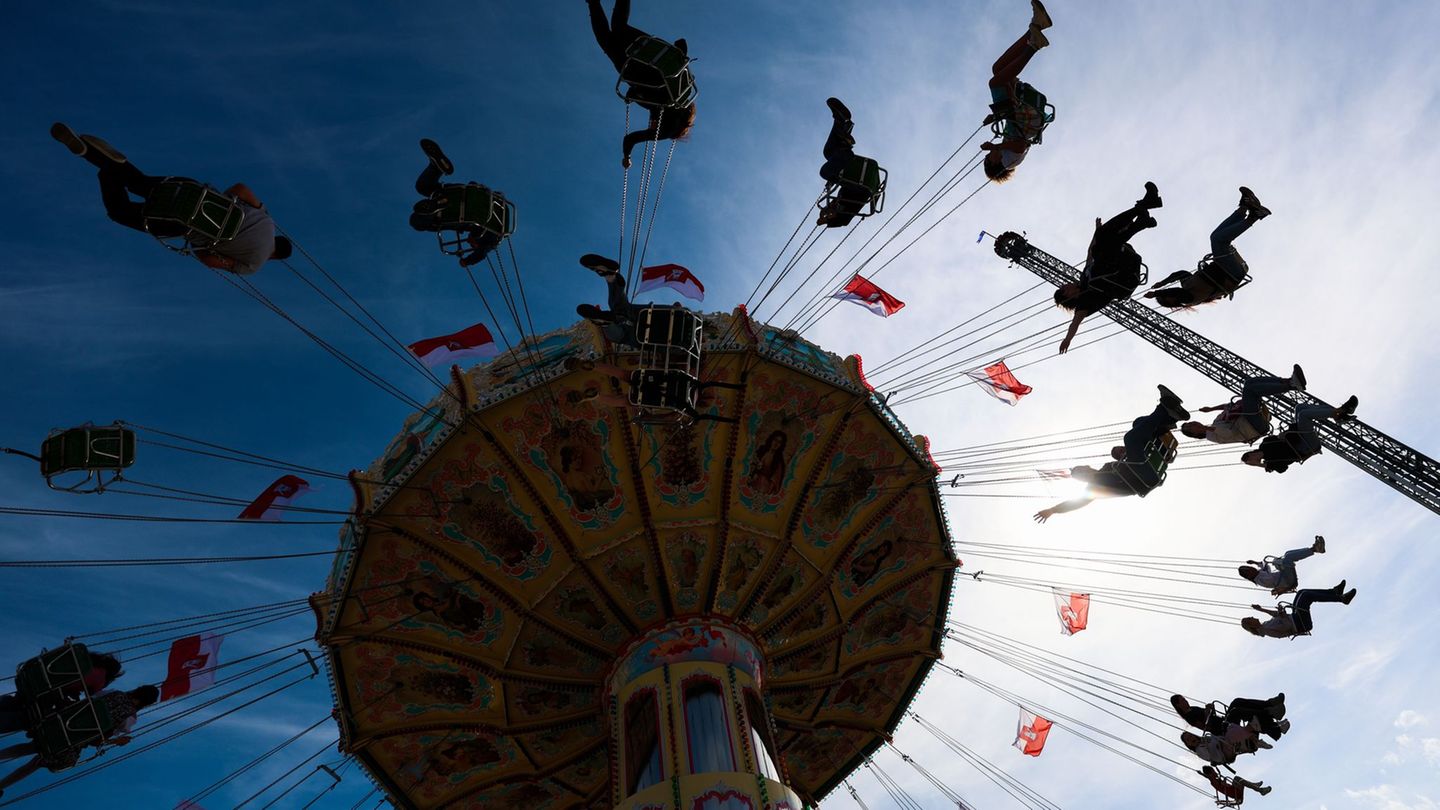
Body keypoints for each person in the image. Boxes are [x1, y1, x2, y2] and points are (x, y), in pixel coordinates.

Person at [50, 123, 291, 274]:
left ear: (278, 238)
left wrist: (221, 200)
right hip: (181, 222)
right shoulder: (252, 265)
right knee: (119, 211)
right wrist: (199, 245)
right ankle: (105, 168)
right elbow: (210, 260)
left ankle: (96, 155)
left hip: (193, 190)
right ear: (274, 257)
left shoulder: (267, 221)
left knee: (137, 182)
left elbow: (241, 188)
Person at [1033, 385, 1188, 521]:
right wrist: (1052, 510)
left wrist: (1125, 452)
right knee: (1130, 438)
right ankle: (1164, 408)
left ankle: (1170, 417)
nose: (1083, 475)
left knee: (1137, 423)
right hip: (1141, 478)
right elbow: (1075, 503)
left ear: (1087, 467)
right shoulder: (1094, 487)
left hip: (1141, 467)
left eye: (1080, 471)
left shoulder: (1107, 467)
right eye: (1080, 476)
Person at [1053, 182, 1162, 353]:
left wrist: (1096, 231)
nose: (1066, 284)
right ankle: (1143, 217)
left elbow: (1090, 252)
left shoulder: (1084, 277)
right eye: (1064, 288)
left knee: (1102, 236)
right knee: (1101, 246)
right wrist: (1068, 339)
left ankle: (1144, 211)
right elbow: (1075, 323)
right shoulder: (1084, 303)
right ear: (1067, 295)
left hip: (1120, 259)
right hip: (1122, 277)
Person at [587, 0, 696, 167]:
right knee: (605, 38)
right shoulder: (665, 130)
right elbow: (631, 138)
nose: (652, 123)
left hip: (649, 56)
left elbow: (681, 42)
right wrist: (627, 157)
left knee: (619, 27)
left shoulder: (677, 98)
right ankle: (593, 2)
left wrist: (680, 54)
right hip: (632, 69)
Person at [0, 685, 159, 797]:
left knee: (33, 746)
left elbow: (89, 700)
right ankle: (2, 785)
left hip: (62, 721)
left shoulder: (114, 693)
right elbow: (100, 738)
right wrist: (117, 742)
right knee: (39, 761)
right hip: (72, 740)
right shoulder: (130, 718)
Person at [1146, 188, 1271, 308]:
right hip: (1230, 273)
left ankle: (1244, 207)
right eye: (1166, 297)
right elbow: (1178, 292)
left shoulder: (1186, 285)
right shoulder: (1190, 299)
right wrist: (1157, 293)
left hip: (1225, 268)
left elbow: (1180, 274)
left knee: (1215, 236)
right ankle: (1254, 216)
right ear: (1172, 302)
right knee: (1218, 240)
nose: (1168, 295)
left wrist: (1162, 283)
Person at [980, 0, 1054, 182]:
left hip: (1021, 116)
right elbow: (1020, 144)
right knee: (996, 82)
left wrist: (995, 117)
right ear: (994, 164)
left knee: (997, 70)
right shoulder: (1009, 162)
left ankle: (1036, 27)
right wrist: (994, 147)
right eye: (988, 159)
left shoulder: (1004, 154)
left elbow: (1012, 129)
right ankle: (1033, 45)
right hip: (1028, 119)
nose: (988, 156)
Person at [408, 139, 503, 267]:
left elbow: (478, 186)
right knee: (416, 221)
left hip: (457, 192)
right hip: (460, 214)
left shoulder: (494, 205)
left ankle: (436, 168)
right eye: (472, 245)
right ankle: (436, 209)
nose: (469, 242)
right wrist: (466, 261)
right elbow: (481, 254)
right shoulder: (490, 238)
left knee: (422, 187)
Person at [0, 650, 123, 733]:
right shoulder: (101, 678)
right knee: (31, 718)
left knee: (17, 701)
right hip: (50, 692)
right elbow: (92, 699)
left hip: (37, 680)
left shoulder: (85, 658)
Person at [1180, 365, 1306, 446]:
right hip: (1252, 426)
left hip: (1249, 417)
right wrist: (1206, 429)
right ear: (1195, 434)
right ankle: (1291, 385)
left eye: (1190, 423)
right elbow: (1229, 433)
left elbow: (1228, 407)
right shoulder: (1212, 436)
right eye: (1190, 428)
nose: (1192, 424)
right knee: (1249, 390)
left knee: (1248, 383)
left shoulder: (1215, 422)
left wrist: (1211, 409)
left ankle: (1288, 381)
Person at [1241, 396, 1359, 473]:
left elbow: (1279, 437)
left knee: (1299, 408)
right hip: (1305, 446)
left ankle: (1338, 414)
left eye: (1249, 459)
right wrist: (1259, 465)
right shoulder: (1270, 462)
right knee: (1303, 415)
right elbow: (1282, 469)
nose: (1251, 460)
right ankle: (1340, 412)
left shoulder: (1264, 443)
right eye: (1250, 462)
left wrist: (1282, 435)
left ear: (1250, 454)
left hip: (1297, 435)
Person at [816, 98, 882, 228]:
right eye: (830, 210)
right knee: (824, 172)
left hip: (855, 176)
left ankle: (841, 120)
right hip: (860, 183)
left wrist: (832, 180)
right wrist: (826, 221)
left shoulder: (841, 197)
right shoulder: (845, 212)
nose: (831, 205)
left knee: (828, 152)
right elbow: (843, 222)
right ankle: (844, 144)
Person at [1242, 581, 1357, 638]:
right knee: (1306, 596)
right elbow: (1285, 628)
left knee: (1301, 592)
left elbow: (1277, 616)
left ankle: (1333, 592)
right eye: (1250, 618)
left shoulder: (1265, 625)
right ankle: (1341, 599)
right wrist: (1282, 614)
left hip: (1296, 618)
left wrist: (1261, 609)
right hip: (1299, 624)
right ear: (1251, 625)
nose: (1252, 617)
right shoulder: (1267, 630)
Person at [576, 254, 643, 347]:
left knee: (620, 312)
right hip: (641, 324)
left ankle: (610, 276)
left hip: (637, 329)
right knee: (621, 312)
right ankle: (610, 277)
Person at [1171, 693, 1290, 741]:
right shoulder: (1189, 717)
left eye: (1184, 698)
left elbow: (1210, 716)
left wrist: (1211, 710)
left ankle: (1269, 705)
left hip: (1223, 721)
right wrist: (1207, 711)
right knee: (1236, 711)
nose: (1185, 701)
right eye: (1182, 700)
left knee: (1237, 702)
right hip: (1222, 729)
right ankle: (1269, 714)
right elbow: (1206, 727)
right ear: (1178, 705)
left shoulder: (1193, 709)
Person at [1237, 535, 1326, 596]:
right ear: (1249, 576)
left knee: (1287, 554)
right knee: (1287, 558)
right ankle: (1315, 549)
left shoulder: (1259, 574)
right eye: (1248, 570)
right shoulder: (1260, 580)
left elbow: (1263, 566)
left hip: (1285, 576)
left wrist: (1254, 562)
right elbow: (1271, 577)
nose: (1251, 568)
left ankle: (1314, 548)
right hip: (1288, 580)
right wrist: (1280, 566)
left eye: (1249, 567)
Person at [1199, 765, 1272, 804]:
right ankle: (1260, 790)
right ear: (1210, 774)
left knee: (1236, 778)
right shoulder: (1213, 781)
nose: (1215, 772)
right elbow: (1208, 777)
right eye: (1213, 771)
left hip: (1234, 790)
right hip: (1235, 793)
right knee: (1240, 781)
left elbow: (1211, 776)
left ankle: (1255, 786)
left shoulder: (1217, 779)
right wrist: (1201, 774)